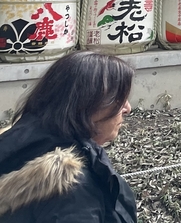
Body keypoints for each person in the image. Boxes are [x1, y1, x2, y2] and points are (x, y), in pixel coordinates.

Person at [0, 51, 137, 223]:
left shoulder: (21, 145)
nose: (128, 108)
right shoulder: (71, 189)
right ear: (89, 104)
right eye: (119, 99)